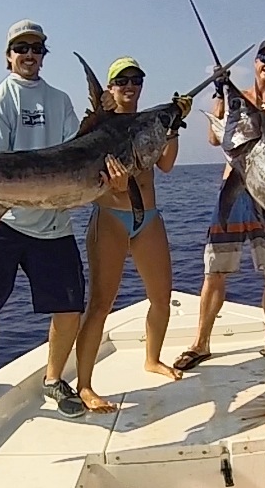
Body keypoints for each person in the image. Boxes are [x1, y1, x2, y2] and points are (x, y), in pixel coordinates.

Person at [0, 19, 113, 417]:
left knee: (69, 307)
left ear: (43, 55)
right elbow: (0, 165)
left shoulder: (60, 101)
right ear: (8, 57)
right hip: (1, 215)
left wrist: (106, 122)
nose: (29, 55)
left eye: (36, 49)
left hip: (53, 220)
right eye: (21, 48)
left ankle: (54, 379)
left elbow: (76, 153)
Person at [173, 37, 265, 372]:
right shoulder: (237, 98)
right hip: (233, 191)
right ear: (255, 61)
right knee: (214, 271)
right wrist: (220, 92)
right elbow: (214, 138)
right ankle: (201, 343)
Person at [74, 56, 189, 413]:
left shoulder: (150, 124)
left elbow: (166, 165)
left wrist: (173, 124)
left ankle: (152, 359)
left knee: (161, 297)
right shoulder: (97, 125)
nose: (129, 86)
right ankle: (85, 385)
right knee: (99, 305)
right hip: (110, 217)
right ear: (109, 88)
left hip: (148, 219)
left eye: (135, 79)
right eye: (121, 80)